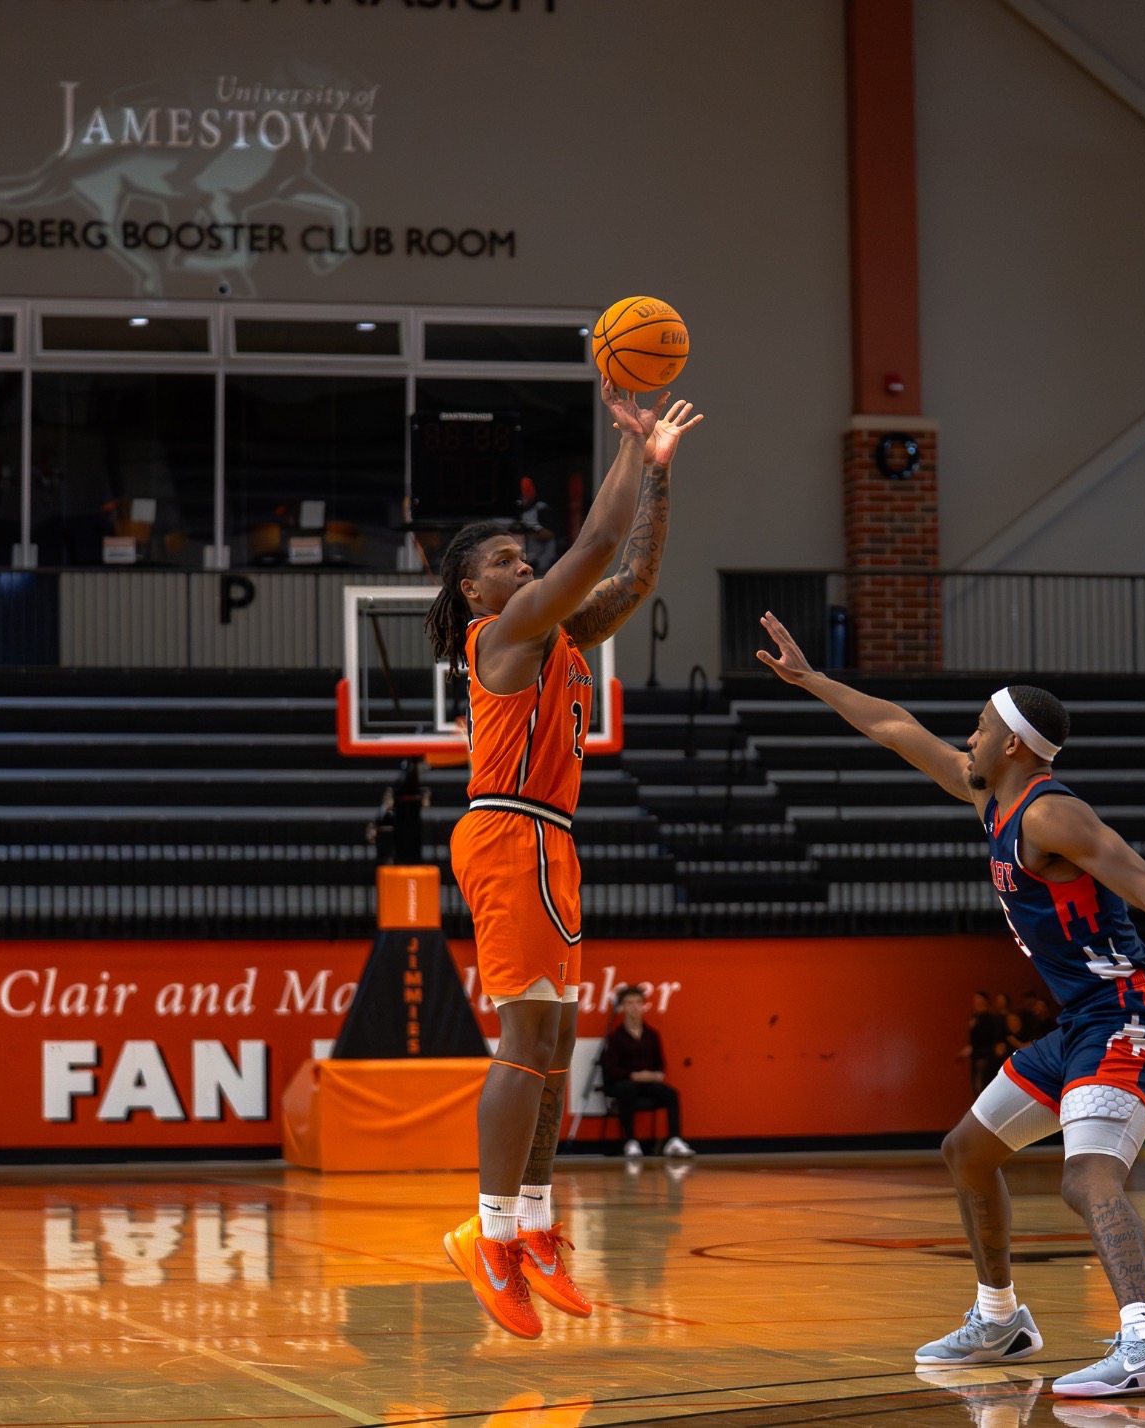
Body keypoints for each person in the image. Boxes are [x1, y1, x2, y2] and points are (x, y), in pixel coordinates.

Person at [755, 613, 1145, 1399]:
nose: (964, 738)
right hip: (1078, 1025)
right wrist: (812, 680)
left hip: (1126, 1012)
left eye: (977, 728)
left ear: (1011, 744)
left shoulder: (1048, 813)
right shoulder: (987, 799)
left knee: (1086, 1177)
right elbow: (898, 729)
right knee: (967, 1152)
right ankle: (1002, 1319)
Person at [433, 380, 702, 1340]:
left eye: (522, 554)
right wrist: (626, 446)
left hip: (551, 837)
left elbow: (629, 575)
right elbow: (591, 549)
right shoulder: (502, 634)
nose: (524, 563)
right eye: (506, 560)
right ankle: (491, 1232)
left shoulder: (562, 637)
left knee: (551, 1047)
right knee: (522, 1043)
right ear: (475, 589)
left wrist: (657, 474)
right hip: (507, 829)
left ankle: (539, 1228)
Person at [601, 984, 693, 1159]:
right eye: (629, 1003)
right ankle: (631, 1141)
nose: (634, 1006)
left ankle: (674, 1140)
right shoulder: (615, 1037)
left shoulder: (652, 1034)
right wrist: (634, 1075)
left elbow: (660, 1064)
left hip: (647, 1082)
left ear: (643, 1005)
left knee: (671, 1094)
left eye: (637, 1002)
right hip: (626, 1082)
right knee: (626, 1090)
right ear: (624, 1007)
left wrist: (656, 1075)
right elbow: (610, 1068)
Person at [962, 991, 1008, 1095]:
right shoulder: (975, 1018)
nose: (975, 1003)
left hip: (985, 1058)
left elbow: (988, 1040)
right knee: (978, 1088)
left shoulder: (989, 1019)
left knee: (982, 1088)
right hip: (978, 1057)